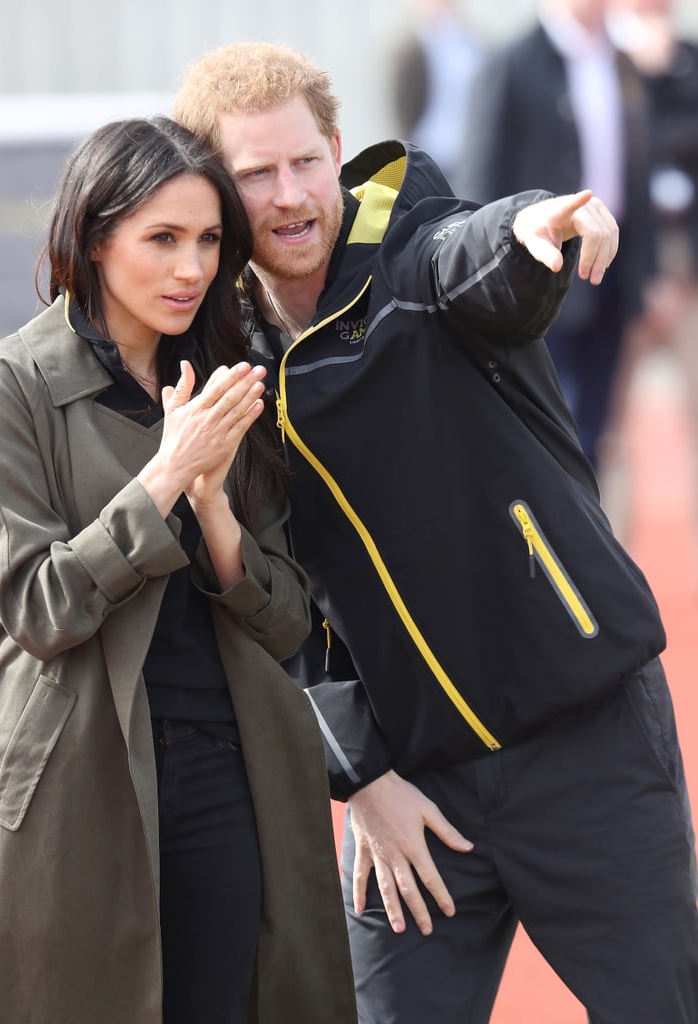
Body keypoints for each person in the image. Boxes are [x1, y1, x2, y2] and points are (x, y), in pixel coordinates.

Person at [173, 42, 698, 1024]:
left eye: (303, 162)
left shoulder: (413, 258)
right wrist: (360, 777)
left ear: (336, 151)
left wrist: (532, 230)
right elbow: (268, 595)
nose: (289, 195)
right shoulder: (224, 364)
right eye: (253, 174)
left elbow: (478, 258)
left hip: (584, 747)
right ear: (213, 186)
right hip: (413, 791)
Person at [0, 115, 356, 1024]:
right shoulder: (2, 387)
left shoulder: (231, 381)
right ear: (92, 238)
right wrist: (166, 472)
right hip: (70, 779)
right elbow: (41, 607)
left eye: (206, 241)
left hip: (225, 768)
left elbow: (285, 620)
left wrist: (210, 502)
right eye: (162, 239)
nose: (191, 269)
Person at [458, 0, 655, 473]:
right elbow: (479, 187)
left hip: (612, 268)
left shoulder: (622, 59)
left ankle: (586, 542)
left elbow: (638, 170)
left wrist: (648, 273)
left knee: (597, 430)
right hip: (543, 275)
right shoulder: (511, 62)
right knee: (551, 432)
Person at [602, 0, 698, 569]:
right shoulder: (608, 66)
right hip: (623, 267)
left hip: (688, 266)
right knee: (609, 422)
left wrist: (664, 75)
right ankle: (608, 547)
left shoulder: (686, 63)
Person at [387, 0, 484, 194]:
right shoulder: (410, 48)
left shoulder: (472, 45)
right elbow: (403, 109)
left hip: (467, 156)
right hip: (428, 153)